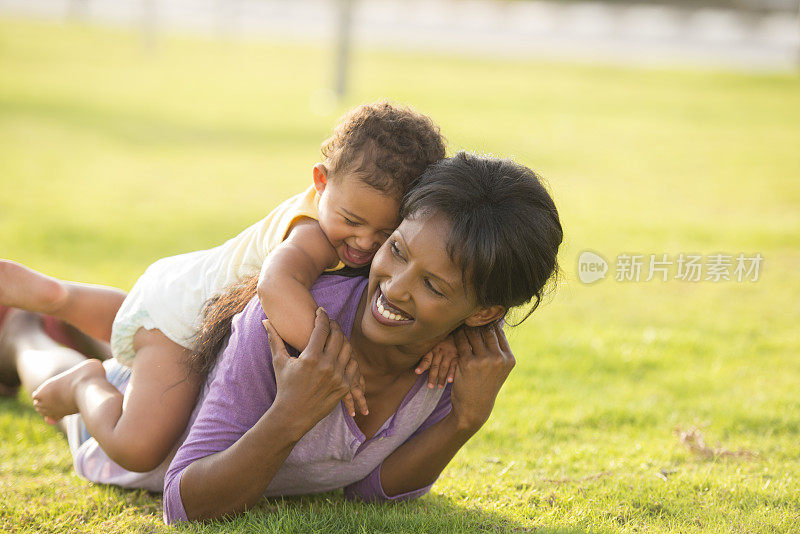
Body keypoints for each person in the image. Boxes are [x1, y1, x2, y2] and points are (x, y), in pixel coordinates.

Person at [0, 152, 562, 522]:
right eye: (396, 249)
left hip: (191, 359)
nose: (394, 286)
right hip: (145, 430)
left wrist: (467, 419)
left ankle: (75, 323)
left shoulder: (458, 364)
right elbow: (183, 503)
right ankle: (31, 336)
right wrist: (290, 414)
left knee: (156, 338)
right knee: (66, 374)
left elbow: (370, 490)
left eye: (435, 285)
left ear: (485, 312)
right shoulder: (287, 323)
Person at [0, 101, 456, 475]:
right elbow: (277, 286)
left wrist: (449, 338)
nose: (363, 242)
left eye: (385, 233)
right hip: (183, 327)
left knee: (134, 326)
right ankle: (84, 383)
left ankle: (59, 298)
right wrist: (339, 361)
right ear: (320, 183)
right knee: (138, 447)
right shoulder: (311, 233)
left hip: (184, 288)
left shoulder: (353, 224)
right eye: (352, 222)